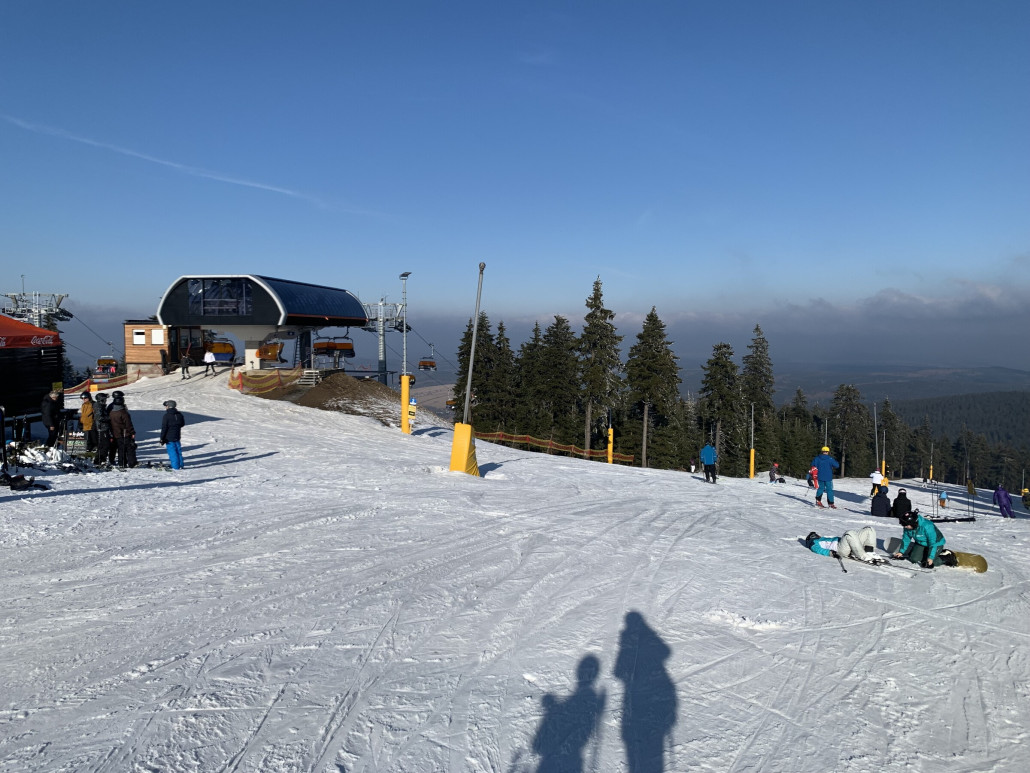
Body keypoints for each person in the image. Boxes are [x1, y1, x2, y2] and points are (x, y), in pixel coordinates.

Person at [806, 527, 878, 562]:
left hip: (847, 546)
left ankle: (869, 552)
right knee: (849, 534)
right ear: (813, 536)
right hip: (839, 549)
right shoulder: (813, 543)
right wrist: (831, 553)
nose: (819, 535)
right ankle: (864, 556)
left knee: (869, 529)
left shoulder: (823, 539)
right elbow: (818, 550)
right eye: (816, 534)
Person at [108, 390, 137, 468]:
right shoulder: (123, 413)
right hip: (124, 433)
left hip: (115, 432)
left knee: (120, 449)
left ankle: (121, 463)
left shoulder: (111, 411)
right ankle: (132, 463)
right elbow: (128, 424)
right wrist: (132, 432)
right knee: (129, 448)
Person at [159, 399, 187, 469]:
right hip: (177, 436)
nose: (165, 407)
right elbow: (182, 424)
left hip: (169, 437)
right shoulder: (179, 414)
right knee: (178, 450)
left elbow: (164, 428)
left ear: (169, 406)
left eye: (166, 406)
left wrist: (162, 438)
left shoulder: (167, 416)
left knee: (172, 452)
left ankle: (175, 466)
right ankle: (180, 464)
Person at [93, 392, 116, 466]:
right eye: (104, 399)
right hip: (102, 428)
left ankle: (99, 460)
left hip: (104, 428)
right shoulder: (98, 406)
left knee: (103, 445)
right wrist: (109, 418)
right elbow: (99, 417)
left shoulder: (101, 406)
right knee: (105, 445)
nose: (106, 401)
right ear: (101, 400)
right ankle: (101, 460)